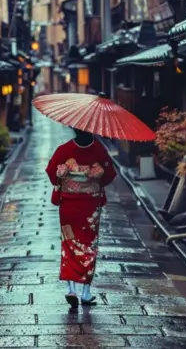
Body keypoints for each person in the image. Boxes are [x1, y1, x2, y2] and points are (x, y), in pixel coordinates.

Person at [45, 127, 117, 308]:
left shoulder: (64, 150)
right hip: (89, 208)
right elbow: (108, 176)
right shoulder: (100, 150)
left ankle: (71, 290)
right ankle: (85, 292)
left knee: (69, 244)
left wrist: (67, 173)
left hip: (69, 207)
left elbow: (53, 174)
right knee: (88, 245)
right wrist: (93, 174)